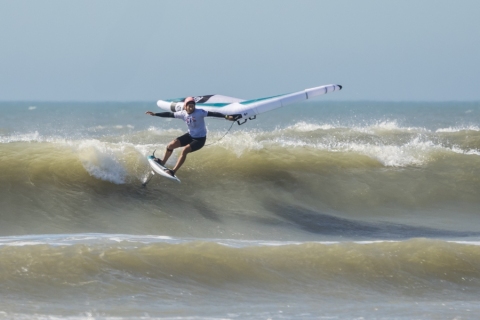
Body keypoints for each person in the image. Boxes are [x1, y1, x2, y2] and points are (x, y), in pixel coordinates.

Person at [145, 97, 240, 176]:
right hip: (190, 135)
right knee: (171, 145)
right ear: (185, 107)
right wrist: (155, 114)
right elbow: (170, 114)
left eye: (192, 106)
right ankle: (162, 162)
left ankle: (173, 171)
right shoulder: (183, 114)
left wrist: (227, 117)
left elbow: (213, 113)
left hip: (200, 140)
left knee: (185, 150)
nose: (191, 108)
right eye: (189, 106)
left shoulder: (200, 112)